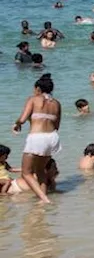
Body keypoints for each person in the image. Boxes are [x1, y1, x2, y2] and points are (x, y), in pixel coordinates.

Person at [11, 73, 60, 203]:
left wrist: (17, 124)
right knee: (40, 171)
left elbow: (22, 119)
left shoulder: (33, 99)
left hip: (37, 138)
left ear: (38, 88)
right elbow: (57, 125)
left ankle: (44, 199)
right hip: (53, 137)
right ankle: (41, 199)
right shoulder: (56, 103)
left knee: (26, 173)